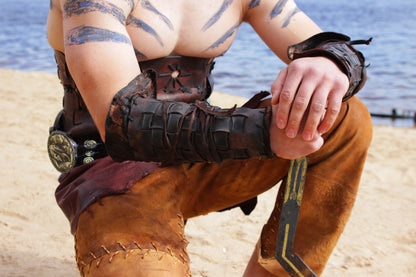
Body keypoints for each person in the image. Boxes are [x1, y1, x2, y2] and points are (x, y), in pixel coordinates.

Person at [46, 0, 372, 276]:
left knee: (343, 115)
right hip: (116, 177)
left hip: (203, 159)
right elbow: (122, 123)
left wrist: (328, 63)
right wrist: (260, 133)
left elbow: (332, 46)